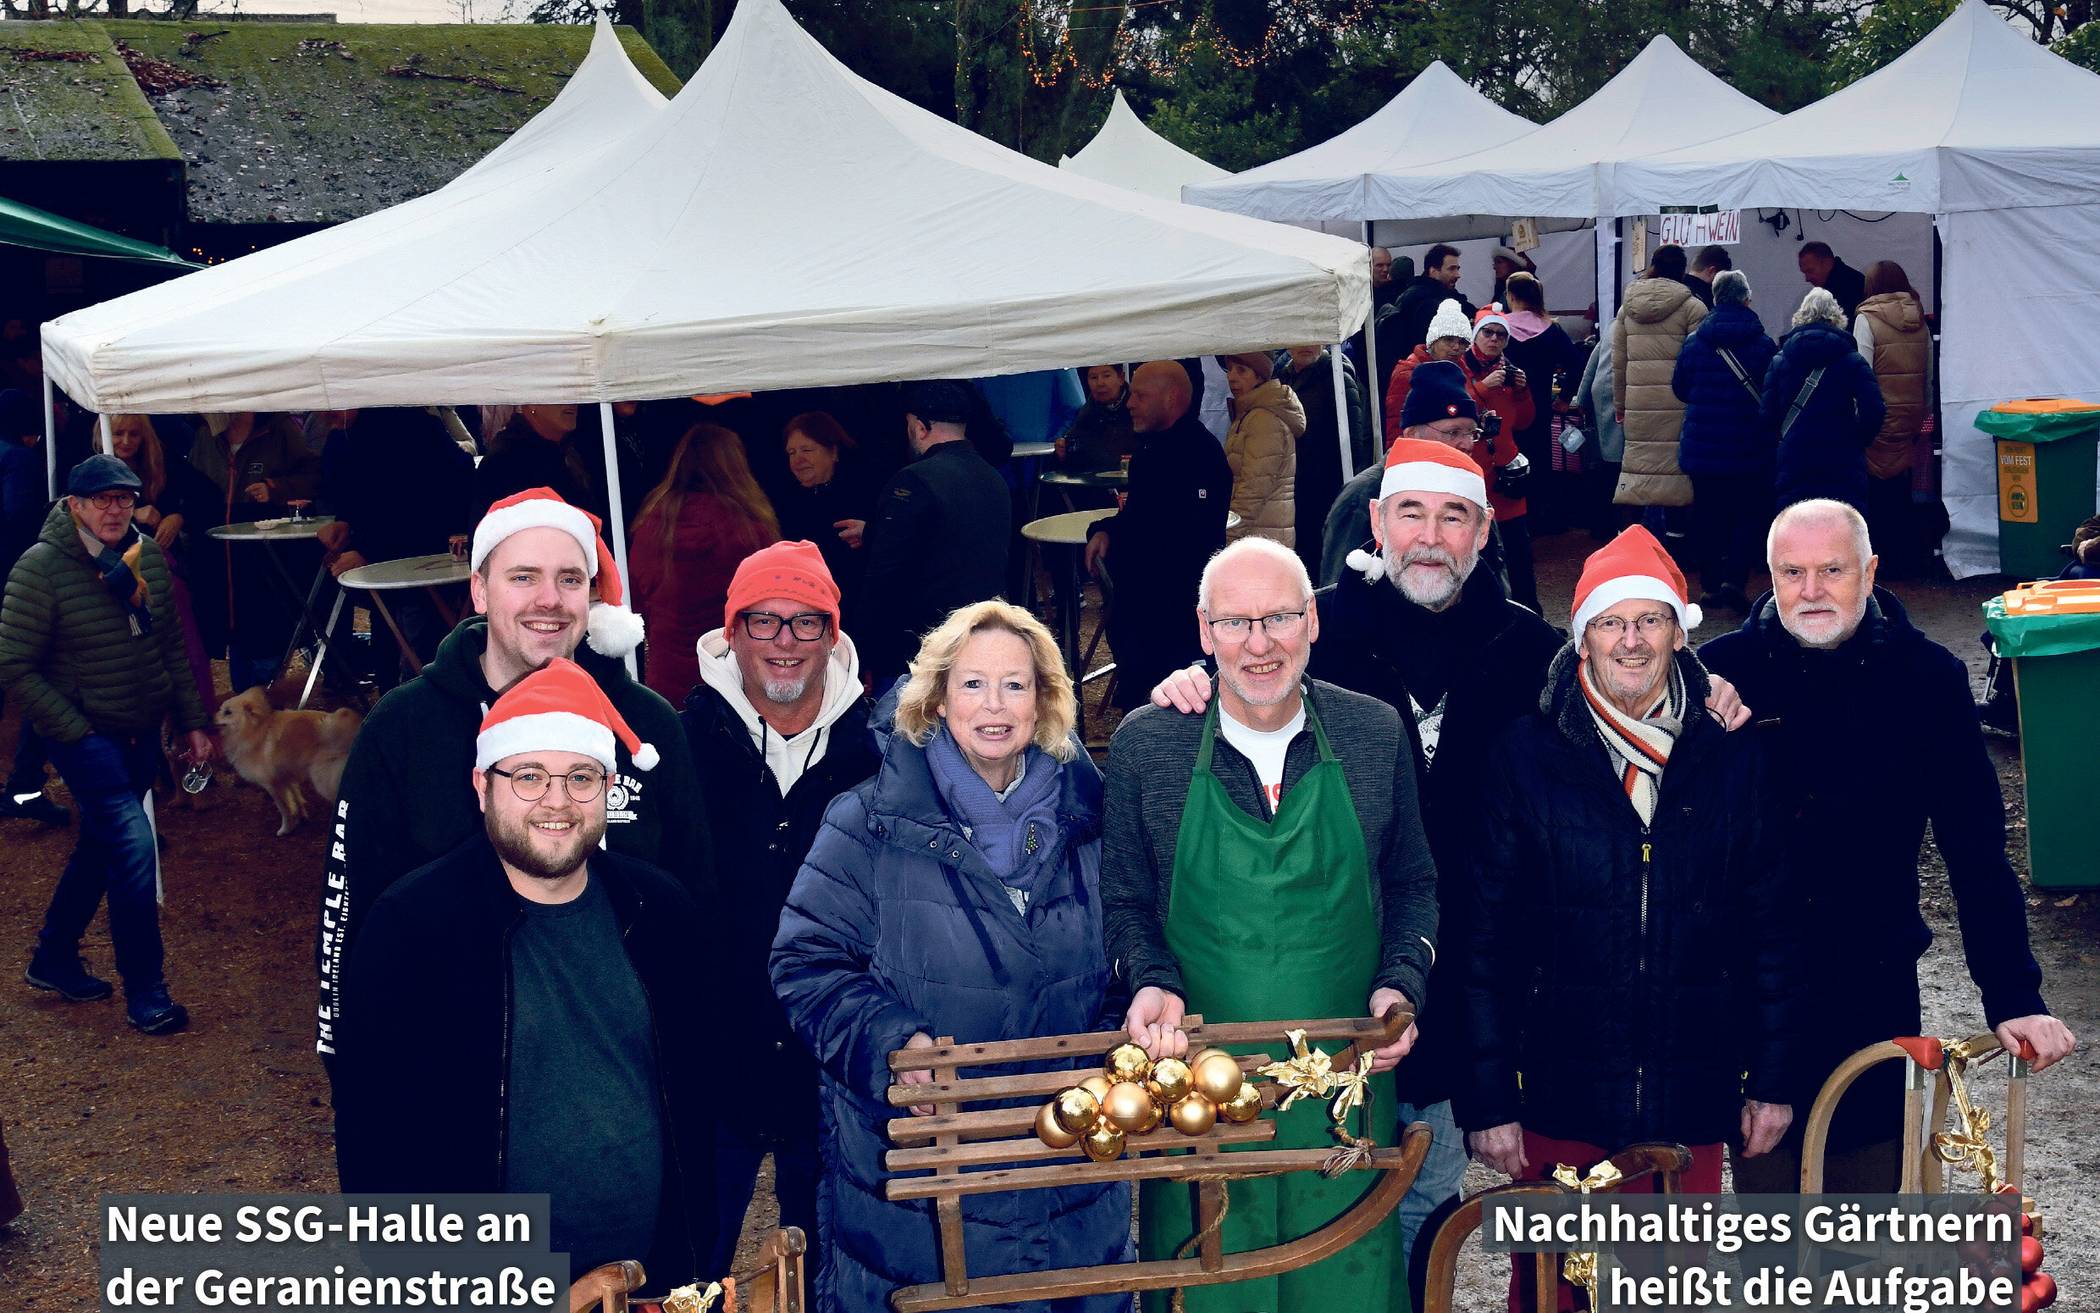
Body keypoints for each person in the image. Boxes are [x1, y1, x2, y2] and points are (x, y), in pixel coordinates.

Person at [1700, 500, 2076, 1192]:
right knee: (1769, 1203)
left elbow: (1975, 849)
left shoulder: (1926, 677)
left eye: (1832, 569)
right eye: (1793, 572)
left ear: (1869, 572)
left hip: (1869, 976)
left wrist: (2014, 992)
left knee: (1866, 1205)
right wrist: (1685, 699)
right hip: (1747, 986)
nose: (1811, 590)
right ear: (1771, 576)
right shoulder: (1722, 673)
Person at [1462, 527, 1795, 1309]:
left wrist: (1773, 1081)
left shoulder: (1731, 756)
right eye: (1612, 622)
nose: (1632, 640)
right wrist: (1489, 1101)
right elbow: (1482, 937)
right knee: (1552, 1288)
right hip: (1558, 1091)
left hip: (1691, 1089)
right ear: (1584, 637)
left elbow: (1772, 931)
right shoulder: (1525, 754)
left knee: (1675, 1289)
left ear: (1681, 631)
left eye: (1650, 620)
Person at [1103, 536, 1436, 1313]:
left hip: (1347, 1087)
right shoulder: (1149, 747)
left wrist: (1401, 981)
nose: (1259, 644)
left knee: (1345, 1288)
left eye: (1279, 618)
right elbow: (1125, 903)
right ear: (1202, 629)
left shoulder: (1371, 733)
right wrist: (1151, 981)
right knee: (1217, 1289)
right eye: (1235, 622)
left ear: (1312, 621)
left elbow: (1412, 882)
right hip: (1202, 1094)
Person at [772, 600, 1129, 1313]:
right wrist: (892, 1041)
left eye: (1015, 685)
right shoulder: (868, 821)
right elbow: (806, 962)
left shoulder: (1093, 818)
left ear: (1046, 698)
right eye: (972, 684)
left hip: (1073, 1191)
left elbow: (1129, 951)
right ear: (936, 696)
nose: (993, 706)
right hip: (917, 1201)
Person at [332, 658, 720, 1292]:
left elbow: (694, 1097)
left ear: (610, 788)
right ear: (483, 785)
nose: (557, 801)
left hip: (649, 1276)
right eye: (530, 776)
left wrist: (691, 1255)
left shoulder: (662, 913)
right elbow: (375, 1137)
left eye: (581, 777)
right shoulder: (413, 927)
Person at [316, 487, 709, 1066]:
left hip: (623, 1067)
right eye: (523, 577)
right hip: (454, 1066)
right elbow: (350, 917)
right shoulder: (403, 728)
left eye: (571, 579)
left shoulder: (648, 726)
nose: (549, 600)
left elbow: (697, 903)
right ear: (479, 589)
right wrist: (348, 1057)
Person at [683, 541, 878, 1285]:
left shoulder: (881, 752)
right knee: (685, 1268)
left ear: (834, 633)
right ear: (731, 631)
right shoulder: (678, 741)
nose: (785, 642)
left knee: (831, 1271)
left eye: (806, 622)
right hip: (711, 1060)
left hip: (831, 1065)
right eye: (764, 621)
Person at [0, 455, 212, 1034]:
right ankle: (149, 992)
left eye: (124, 497)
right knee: (134, 847)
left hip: (141, 728)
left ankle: (53, 958)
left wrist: (194, 722)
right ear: (74, 506)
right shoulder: (40, 569)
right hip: (85, 736)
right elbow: (14, 665)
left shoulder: (147, 561)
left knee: (101, 847)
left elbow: (171, 646)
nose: (115, 509)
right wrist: (74, 729)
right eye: (102, 499)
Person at [1085, 361, 1233, 701]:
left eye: (1140, 395)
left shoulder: (1199, 455)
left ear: (1171, 398)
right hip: (1142, 619)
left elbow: (1178, 540)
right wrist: (1106, 530)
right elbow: (1140, 519)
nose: (1130, 402)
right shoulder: (1150, 451)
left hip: (1173, 624)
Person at [857, 381, 1012, 688]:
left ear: (920, 426)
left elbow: (884, 576)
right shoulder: (992, 477)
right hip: (980, 638)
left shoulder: (913, 481)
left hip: (920, 652)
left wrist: (864, 654)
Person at [315, 407, 477, 685]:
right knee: (389, 643)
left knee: (419, 653)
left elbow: (416, 504)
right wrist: (344, 521)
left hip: (425, 564)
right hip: (390, 570)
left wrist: (368, 550)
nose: (323, 413)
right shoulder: (345, 436)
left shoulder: (410, 427)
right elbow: (361, 496)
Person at [1324, 362, 1515, 594]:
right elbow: (1340, 593)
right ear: (1412, 434)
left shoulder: (1469, 493)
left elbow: (1493, 581)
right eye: (1453, 432)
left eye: (1471, 433)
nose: (1466, 444)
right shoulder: (1363, 496)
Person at [629, 423, 781, 702]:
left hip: (667, 668)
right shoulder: (748, 526)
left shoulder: (653, 523)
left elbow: (636, 599)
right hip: (732, 666)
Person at [186, 411, 321, 691]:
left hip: (266, 550)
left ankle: (266, 698)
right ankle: (246, 695)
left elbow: (313, 473)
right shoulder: (205, 436)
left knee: (264, 628)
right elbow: (192, 484)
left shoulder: (279, 429)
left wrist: (275, 488)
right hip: (217, 551)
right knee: (234, 631)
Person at [1672, 270, 1779, 612]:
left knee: (1707, 515)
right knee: (1747, 515)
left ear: (1714, 299)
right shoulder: (1762, 344)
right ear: (1747, 299)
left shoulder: (1694, 342)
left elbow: (1680, 388)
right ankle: (1735, 580)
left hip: (1703, 447)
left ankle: (1709, 585)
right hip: (1749, 445)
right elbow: (1773, 394)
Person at [0, 390, 66, 826]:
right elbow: (22, 521)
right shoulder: (20, 461)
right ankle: (23, 787)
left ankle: (23, 786)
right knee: (41, 683)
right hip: (17, 588)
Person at [1764, 288, 1886, 513]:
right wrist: (1857, 440)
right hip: (1842, 459)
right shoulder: (1853, 361)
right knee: (1843, 525)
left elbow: (1767, 415)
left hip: (1796, 458)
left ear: (1801, 317)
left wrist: (1784, 439)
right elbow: (1874, 409)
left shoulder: (1779, 362)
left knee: (1798, 523)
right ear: (1837, 318)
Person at [1611, 245, 1706, 513]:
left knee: (1638, 466)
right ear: (1682, 270)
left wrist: (1620, 405)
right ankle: (1674, 540)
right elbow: (1698, 363)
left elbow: (1618, 363)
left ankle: (1631, 535)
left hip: (1638, 401)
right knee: (1675, 473)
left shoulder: (1626, 309)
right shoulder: (1693, 308)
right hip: (1678, 403)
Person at [1852, 261, 1933, 572]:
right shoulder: (1920, 320)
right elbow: (1927, 376)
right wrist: (1923, 414)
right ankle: (1906, 554)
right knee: (1902, 486)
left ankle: (1881, 558)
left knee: (1876, 488)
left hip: (1878, 417)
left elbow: (1862, 373)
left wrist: (1859, 419)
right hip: (1911, 417)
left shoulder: (1866, 319)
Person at [1458, 310, 1540, 610]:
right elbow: (1458, 409)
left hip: (1507, 476)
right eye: (1488, 333)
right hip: (1476, 475)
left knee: (1519, 551)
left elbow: (1524, 421)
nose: (1494, 339)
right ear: (1475, 335)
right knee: (1484, 554)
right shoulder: (1462, 368)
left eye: (1501, 335)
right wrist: (1483, 388)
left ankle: (1531, 614)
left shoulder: (1509, 370)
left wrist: (1521, 392)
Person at [1499, 273, 1586, 535]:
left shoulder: (1499, 329)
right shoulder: (1551, 329)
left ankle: (1514, 517)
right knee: (1540, 460)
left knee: (1507, 458)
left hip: (1504, 406)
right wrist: (1563, 398)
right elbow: (1576, 364)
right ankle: (1544, 518)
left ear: (1510, 296)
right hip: (1539, 405)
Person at [1276, 345, 1367, 582]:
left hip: (1323, 488)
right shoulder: (1282, 376)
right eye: (1299, 338)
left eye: (1313, 337)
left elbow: (1354, 444)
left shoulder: (1336, 376)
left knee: (1318, 558)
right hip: (1293, 486)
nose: (1306, 345)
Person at [775, 411, 874, 613]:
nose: (798, 459)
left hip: (855, 607)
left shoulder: (864, 495)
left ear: (833, 452)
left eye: (807, 450)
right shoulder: (785, 504)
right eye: (791, 453)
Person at [1219, 351, 1304, 548]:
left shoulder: (1264, 420)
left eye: (1242, 370)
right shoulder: (1251, 413)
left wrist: (1228, 536)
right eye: (1230, 369)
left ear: (1260, 376)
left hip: (1258, 539)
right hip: (1260, 535)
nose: (1232, 377)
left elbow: (1252, 491)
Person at [1382, 298, 1476, 443]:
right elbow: (1396, 428)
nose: (1456, 347)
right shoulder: (1407, 373)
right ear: (1433, 340)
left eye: (1463, 342)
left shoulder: (1463, 371)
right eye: (1449, 339)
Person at [1387, 244, 1476, 376]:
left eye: (1457, 269)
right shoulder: (1427, 303)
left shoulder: (1435, 294)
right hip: (1426, 373)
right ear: (1433, 271)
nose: (1458, 275)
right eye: (1451, 269)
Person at [1574, 326, 1627, 540]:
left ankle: (1602, 526)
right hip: (1637, 404)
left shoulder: (1615, 325)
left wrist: (1581, 399)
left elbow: (1591, 367)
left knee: (1606, 467)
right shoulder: (1673, 319)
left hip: (1606, 400)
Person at [1056, 364, 1137, 474]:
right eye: (1093, 378)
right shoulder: (1087, 412)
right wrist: (1063, 452)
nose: (1100, 383)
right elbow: (1076, 450)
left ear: (1121, 378)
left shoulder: (1137, 407)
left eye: (1106, 376)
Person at [1797, 240, 1866, 323]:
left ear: (1827, 263)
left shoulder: (1853, 288)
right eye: (1804, 273)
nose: (1807, 278)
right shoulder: (1826, 290)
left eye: (1810, 271)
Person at [1488, 246, 1536, 311]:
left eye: (1499, 262)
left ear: (1513, 264)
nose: (1495, 267)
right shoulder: (1501, 286)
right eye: (1494, 263)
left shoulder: (1527, 285)